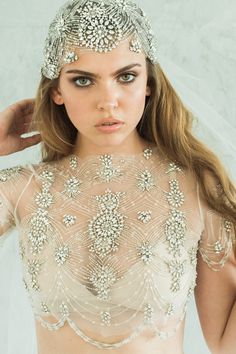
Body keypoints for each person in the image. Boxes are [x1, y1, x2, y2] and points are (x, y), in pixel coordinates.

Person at [0, 0, 235, 353]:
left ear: (149, 83)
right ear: (57, 92)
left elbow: (224, 342)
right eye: (83, 80)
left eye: (126, 76)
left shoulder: (196, 187)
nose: (108, 102)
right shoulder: (22, 190)